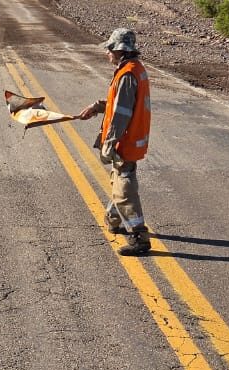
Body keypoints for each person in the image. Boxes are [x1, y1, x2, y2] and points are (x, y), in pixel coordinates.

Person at [77, 28, 152, 256]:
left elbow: (121, 114)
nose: (107, 52)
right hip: (131, 140)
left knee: (124, 189)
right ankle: (114, 218)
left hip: (125, 142)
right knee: (120, 180)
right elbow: (117, 103)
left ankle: (139, 237)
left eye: (110, 48)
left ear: (120, 50)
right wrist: (97, 107)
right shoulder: (133, 70)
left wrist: (109, 143)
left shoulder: (127, 75)